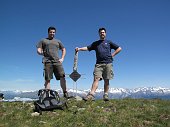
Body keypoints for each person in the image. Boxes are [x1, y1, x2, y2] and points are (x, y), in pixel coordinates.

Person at [75, 27, 122, 101]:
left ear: (105, 33)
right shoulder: (96, 43)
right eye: (101, 32)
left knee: (106, 80)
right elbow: (87, 48)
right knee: (96, 78)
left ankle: (105, 95)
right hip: (98, 64)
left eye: (103, 32)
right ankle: (91, 95)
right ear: (99, 34)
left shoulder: (109, 42)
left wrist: (112, 55)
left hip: (108, 63)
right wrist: (79, 49)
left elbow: (119, 48)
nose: (102, 33)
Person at [36, 26, 69, 98]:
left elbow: (63, 49)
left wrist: (62, 58)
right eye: (51, 32)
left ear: (55, 33)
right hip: (47, 62)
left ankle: (65, 93)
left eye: (53, 32)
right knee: (47, 79)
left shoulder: (58, 41)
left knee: (62, 76)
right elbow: (38, 49)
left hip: (57, 61)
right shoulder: (43, 40)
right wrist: (41, 53)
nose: (52, 33)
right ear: (48, 32)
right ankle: (47, 96)